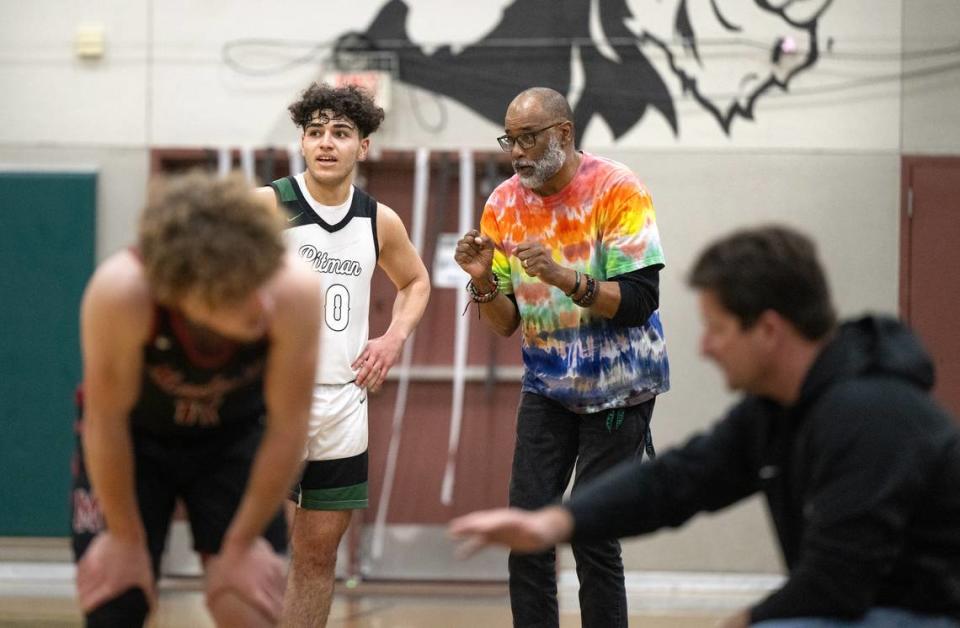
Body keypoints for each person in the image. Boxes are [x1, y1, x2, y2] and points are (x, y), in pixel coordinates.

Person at [451, 225, 960, 628]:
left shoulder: (871, 416)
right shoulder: (781, 409)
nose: (705, 348)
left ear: (768, 331)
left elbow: (837, 585)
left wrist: (738, 623)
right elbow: (679, 480)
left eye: (717, 329)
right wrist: (553, 524)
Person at [453, 86, 670, 628]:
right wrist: (482, 283)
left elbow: (640, 303)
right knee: (526, 533)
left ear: (563, 133)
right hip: (548, 386)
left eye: (529, 138)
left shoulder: (617, 189)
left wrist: (564, 276)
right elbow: (506, 324)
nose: (518, 152)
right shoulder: (503, 203)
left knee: (593, 534)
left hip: (620, 385)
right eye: (511, 140)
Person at [71, 172, 322, 627]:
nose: (260, 305)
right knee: (115, 600)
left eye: (261, 280)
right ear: (181, 294)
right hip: (134, 441)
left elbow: (288, 426)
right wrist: (126, 540)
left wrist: (242, 544)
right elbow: (105, 421)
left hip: (234, 439)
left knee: (245, 603)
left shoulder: (294, 292)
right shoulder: (121, 293)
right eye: (238, 295)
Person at [254, 82, 430, 627]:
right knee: (260, 554)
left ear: (364, 147)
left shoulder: (379, 220)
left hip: (342, 404)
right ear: (302, 143)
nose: (326, 142)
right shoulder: (266, 205)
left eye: (340, 133)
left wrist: (392, 337)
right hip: (273, 402)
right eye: (315, 132)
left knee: (317, 556)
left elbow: (417, 282)